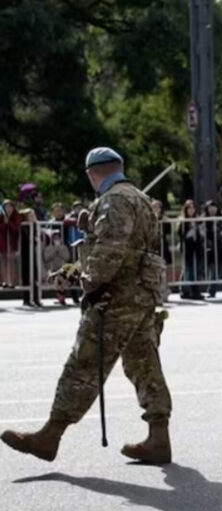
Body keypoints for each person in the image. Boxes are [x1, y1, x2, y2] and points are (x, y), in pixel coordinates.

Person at [1, 146, 173, 464]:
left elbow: (110, 251)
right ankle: (159, 436)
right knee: (143, 363)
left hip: (115, 297)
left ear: (93, 174)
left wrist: (90, 284)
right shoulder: (140, 199)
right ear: (119, 167)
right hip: (142, 295)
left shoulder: (114, 200)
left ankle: (50, 435)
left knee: (83, 364)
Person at [178, 199, 204, 300]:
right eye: (189, 208)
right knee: (188, 270)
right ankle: (185, 290)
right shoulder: (182, 220)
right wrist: (189, 232)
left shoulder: (198, 220)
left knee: (195, 270)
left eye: (193, 208)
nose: (191, 210)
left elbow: (201, 233)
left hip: (196, 247)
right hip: (187, 248)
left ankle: (195, 291)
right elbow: (181, 234)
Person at [202, 200, 222, 298]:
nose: (212, 209)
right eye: (210, 207)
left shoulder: (221, 218)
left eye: (214, 207)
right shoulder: (204, 219)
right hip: (210, 248)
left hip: (221, 247)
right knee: (213, 271)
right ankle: (211, 291)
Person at [19, 208, 42, 307]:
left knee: (35, 276)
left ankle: (36, 298)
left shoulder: (36, 226)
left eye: (33, 215)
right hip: (25, 254)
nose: (33, 217)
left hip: (33, 253)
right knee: (26, 276)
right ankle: (26, 298)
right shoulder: (23, 227)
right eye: (30, 215)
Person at [43, 230, 72, 306]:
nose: (56, 239)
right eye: (54, 238)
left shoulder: (64, 247)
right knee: (56, 278)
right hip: (52, 270)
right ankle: (60, 297)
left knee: (60, 278)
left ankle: (61, 298)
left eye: (58, 237)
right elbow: (46, 258)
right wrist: (54, 251)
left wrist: (59, 251)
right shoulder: (49, 248)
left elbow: (67, 257)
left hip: (62, 270)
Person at [0, 199, 22, 287]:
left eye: (10, 207)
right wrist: (4, 223)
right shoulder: (1, 216)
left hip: (12, 242)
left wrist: (9, 223)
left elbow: (16, 228)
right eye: (6, 207)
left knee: (12, 262)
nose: (9, 209)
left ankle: (12, 281)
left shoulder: (16, 215)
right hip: (3, 242)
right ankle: (4, 281)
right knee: (3, 261)